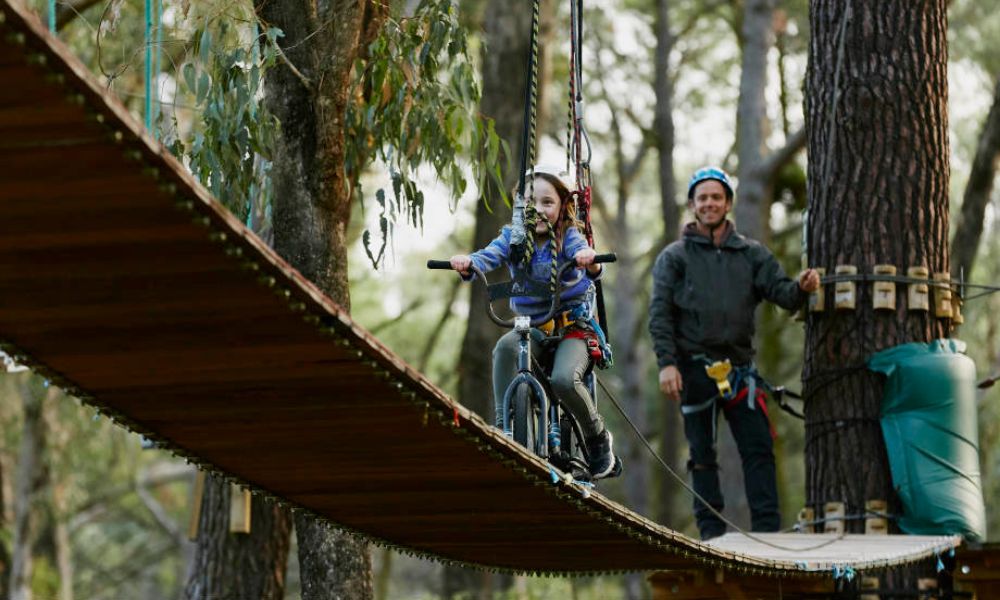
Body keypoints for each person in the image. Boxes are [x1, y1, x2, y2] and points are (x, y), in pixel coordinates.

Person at [648, 166, 820, 540]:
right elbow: (659, 315)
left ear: (727, 203)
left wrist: (802, 288)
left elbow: (782, 293)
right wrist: (667, 365)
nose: (709, 203)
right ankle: (711, 535)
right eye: (702, 198)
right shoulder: (674, 258)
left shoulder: (751, 255)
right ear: (693, 205)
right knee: (702, 455)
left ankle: (769, 532)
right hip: (694, 369)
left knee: (758, 449)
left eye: (716, 197)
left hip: (740, 371)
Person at [449, 165, 618, 479]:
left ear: (562, 207)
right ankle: (504, 430)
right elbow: (490, 254)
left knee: (564, 380)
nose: (537, 210)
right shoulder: (513, 238)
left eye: (547, 202)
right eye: (529, 202)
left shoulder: (568, 236)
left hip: (572, 328)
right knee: (504, 349)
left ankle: (597, 437)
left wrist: (589, 262)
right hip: (532, 327)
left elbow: (582, 251)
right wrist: (470, 263)